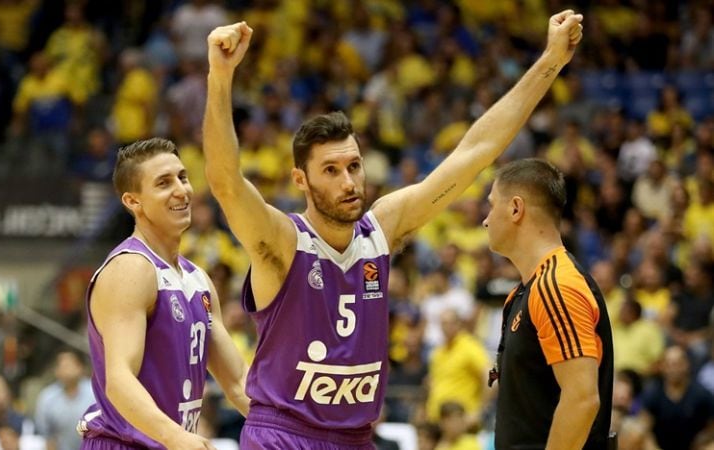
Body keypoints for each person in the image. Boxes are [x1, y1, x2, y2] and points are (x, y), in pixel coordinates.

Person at [203, 10, 584, 449]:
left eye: (354, 166)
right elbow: (225, 182)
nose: (348, 182)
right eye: (330, 170)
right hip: (285, 436)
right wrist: (220, 75)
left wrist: (551, 60)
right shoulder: (282, 241)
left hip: (357, 437)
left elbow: (475, 151)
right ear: (300, 180)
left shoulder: (381, 228)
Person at [77, 137, 249, 449]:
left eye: (182, 177)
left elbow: (238, 384)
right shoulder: (131, 269)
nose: (181, 190)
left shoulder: (198, 279)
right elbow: (119, 380)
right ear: (133, 201)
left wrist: (295, 428)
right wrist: (177, 438)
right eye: (163, 183)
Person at [482, 159, 615, 449]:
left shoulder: (556, 285)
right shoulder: (524, 291)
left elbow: (582, 400)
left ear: (516, 208)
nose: (486, 219)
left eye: (492, 206)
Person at [34, 349, 96, 450]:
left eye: (69, 365)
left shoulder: (94, 392)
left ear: (80, 367)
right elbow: (45, 434)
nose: (66, 369)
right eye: (62, 366)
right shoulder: (47, 397)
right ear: (56, 371)